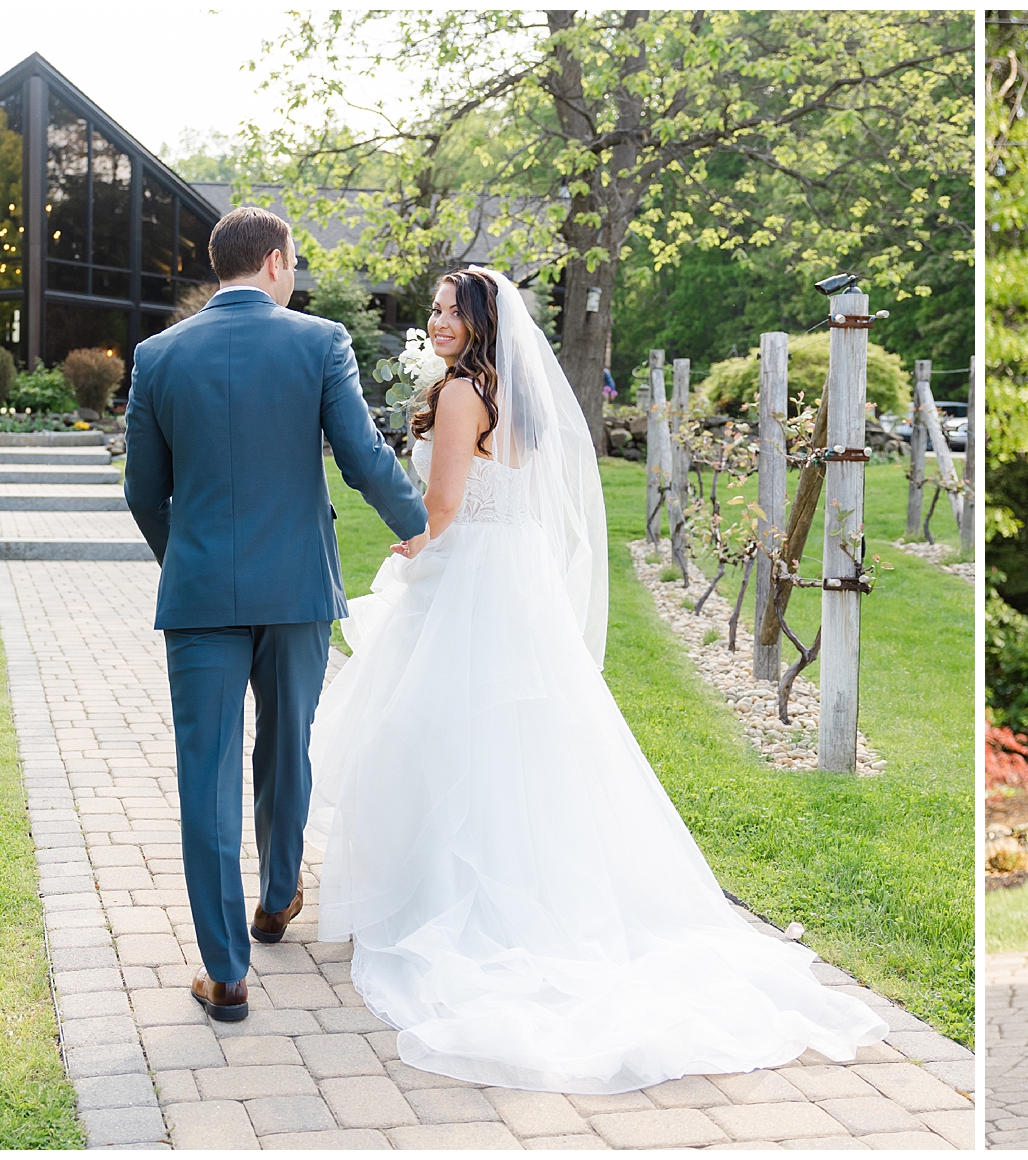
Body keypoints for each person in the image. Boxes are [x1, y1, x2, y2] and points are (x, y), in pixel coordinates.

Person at [304, 266, 887, 1094]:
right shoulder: (516, 396)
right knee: (513, 740)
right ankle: (493, 881)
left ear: (479, 323)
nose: (435, 322)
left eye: (446, 312)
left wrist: (409, 545)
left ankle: (446, 895)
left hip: (468, 575)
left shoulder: (463, 394)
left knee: (437, 730)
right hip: (512, 576)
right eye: (432, 312)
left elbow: (441, 509)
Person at [122, 207, 427, 1023]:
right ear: (277, 262)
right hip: (295, 590)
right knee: (287, 746)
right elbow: (363, 456)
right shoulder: (320, 342)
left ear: (221, 266)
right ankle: (280, 895)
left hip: (199, 598)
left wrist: (183, 559)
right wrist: (420, 524)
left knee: (205, 774)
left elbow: (142, 492)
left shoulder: (156, 356)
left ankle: (225, 973)